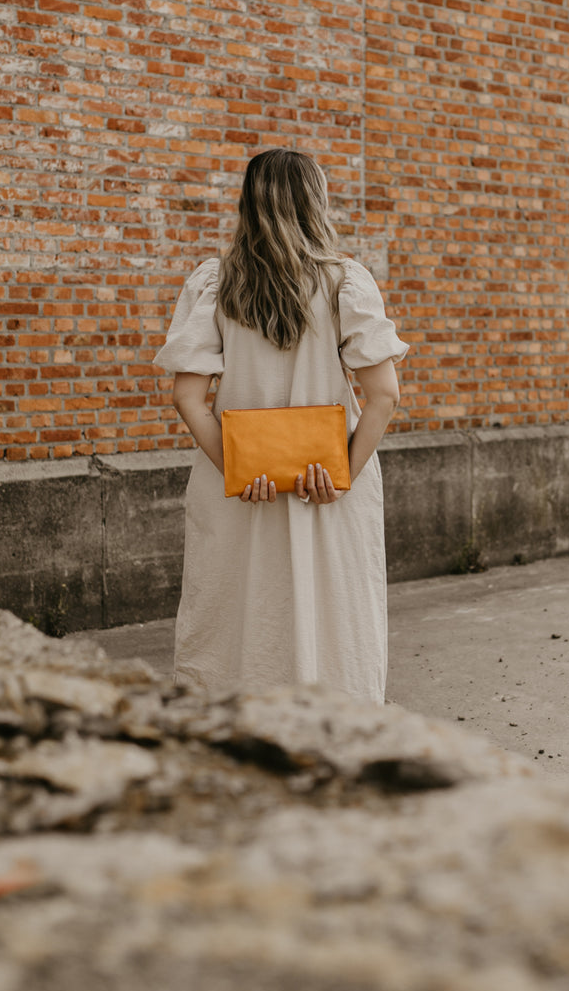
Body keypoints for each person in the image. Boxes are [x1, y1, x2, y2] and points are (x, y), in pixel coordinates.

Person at [154, 149, 408, 706]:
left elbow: (187, 397)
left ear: (248, 202)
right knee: (334, 616)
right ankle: (337, 734)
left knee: (237, 618)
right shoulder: (346, 283)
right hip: (330, 486)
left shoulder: (213, 283)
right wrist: (339, 474)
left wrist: (242, 469)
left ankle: (234, 736)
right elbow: (384, 395)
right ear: (315, 202)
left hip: (240, 487)